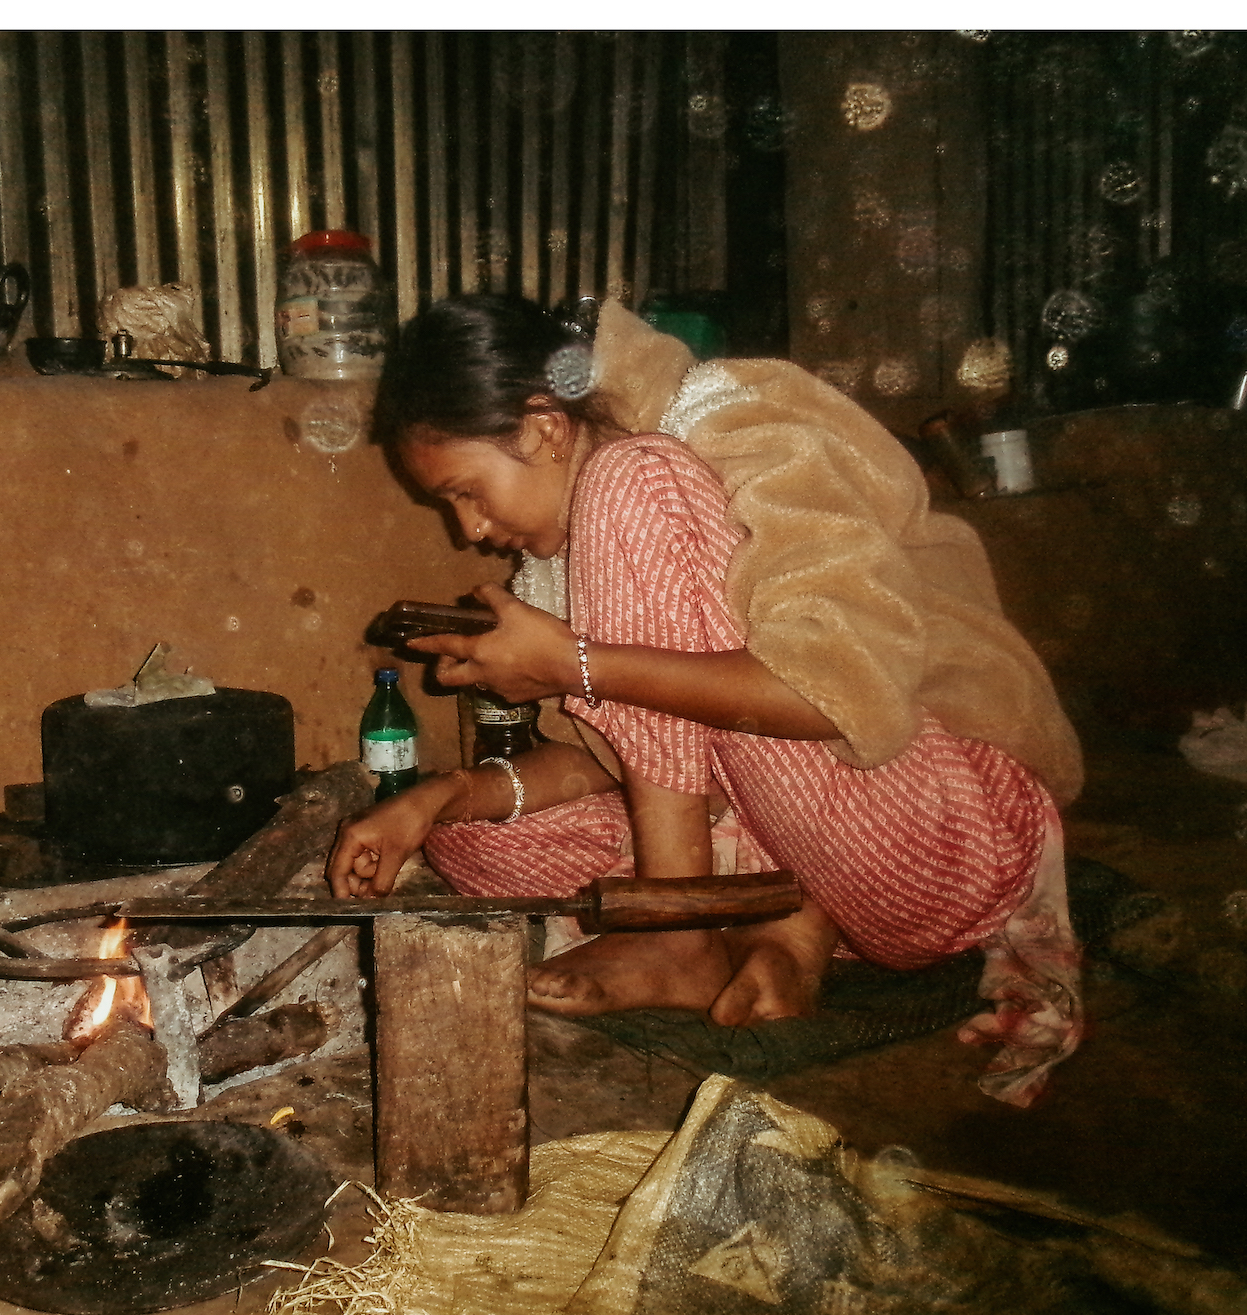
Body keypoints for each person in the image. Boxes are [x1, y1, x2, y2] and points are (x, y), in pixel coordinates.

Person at [327, 293, 1086, 1104]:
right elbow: (614, 767)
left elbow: (839, 701)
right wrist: (438, 797)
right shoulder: (564, 559)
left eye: (467, 492)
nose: (469, 531)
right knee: (479, 847)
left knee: (630, 482)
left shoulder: (726, 429)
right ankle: (784, 932)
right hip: (796, 845)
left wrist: (577, 664)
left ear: (545, 427)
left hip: (939, 836)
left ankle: (679, 937)